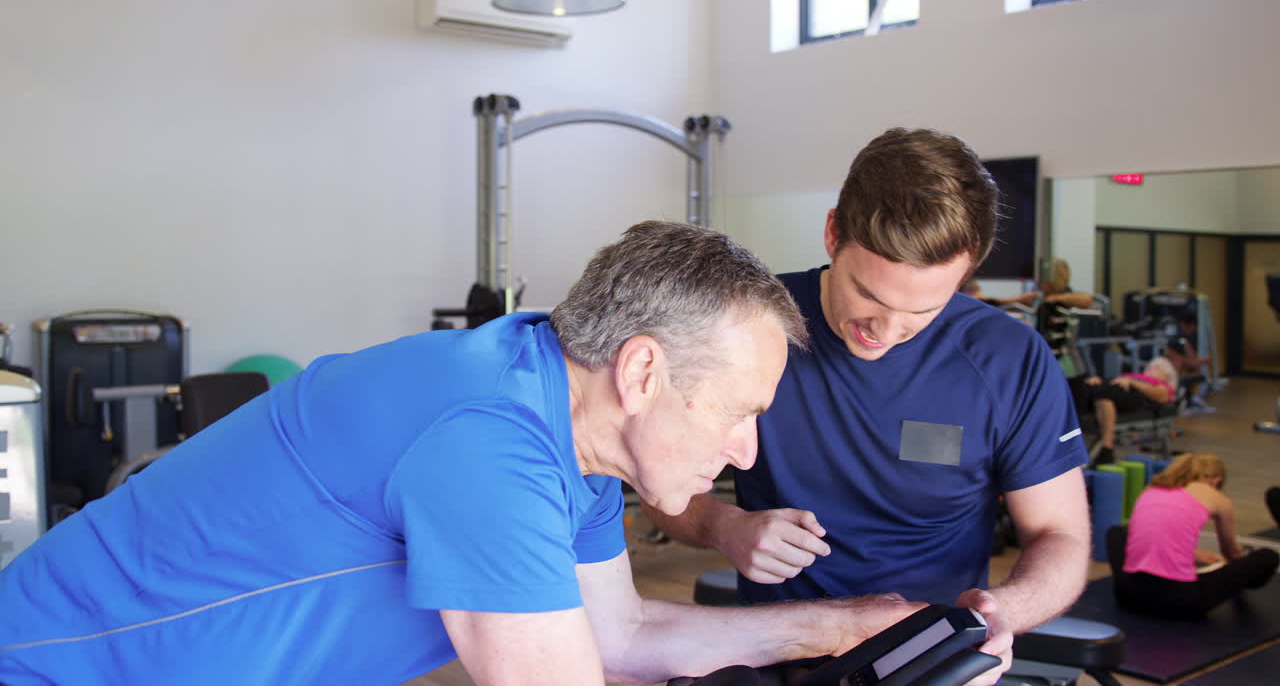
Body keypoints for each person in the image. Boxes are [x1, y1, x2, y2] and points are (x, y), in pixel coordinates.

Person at [0, 222, 928, 685]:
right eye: (738, 409)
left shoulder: (574, 436)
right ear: (642, 371)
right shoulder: (488, 438)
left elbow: (621, 639)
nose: (746, 447)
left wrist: (842, 629)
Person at [643, 128, 1092, 680]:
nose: (886, 331)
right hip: (779, 650)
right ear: (834, 232)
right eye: (870, 296)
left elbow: (1062, 536)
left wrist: (1004, 613)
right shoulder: (744, 331)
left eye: (921, 311)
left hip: (929, 660)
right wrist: (724, 526)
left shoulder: (1008, 359)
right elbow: (660, 490)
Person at [1116, 453, 1279, 620]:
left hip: (1129, 595)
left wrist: (1194, 553)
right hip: (1179, 601)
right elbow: (1232, 554)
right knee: (1268, 557)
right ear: (1215, 480)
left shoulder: (1152, 489)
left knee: (1116, 532)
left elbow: (1150, 535)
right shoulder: (1218, 498)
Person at [1069, 356, 1179, 466]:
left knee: (1104, 392)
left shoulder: (1163, 386)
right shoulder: (1132, 376)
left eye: (1156, 368)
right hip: (1110, 389)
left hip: (1133, 395)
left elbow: (1160, 396)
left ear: (1166, 377)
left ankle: (1107, 448)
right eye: (1149, 366)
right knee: (1080, 387)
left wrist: (1132, 382)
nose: (1150, 368)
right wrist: (1098, 381)